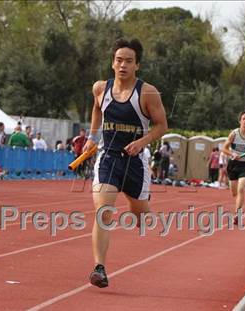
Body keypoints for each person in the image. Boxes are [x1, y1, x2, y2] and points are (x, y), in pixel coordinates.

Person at [83, 38, 167, 288]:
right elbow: (97, 109)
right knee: (103, 212)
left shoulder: (147, 92)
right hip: (108, 157)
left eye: (129, 61)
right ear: (112, 63)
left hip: (135, 162)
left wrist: (143, 142)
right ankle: (99, 268)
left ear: (137, 65)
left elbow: (162, 125)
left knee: (140, 211)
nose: (123, 65)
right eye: (119, 60)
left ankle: (140, 206)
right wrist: (92, 137)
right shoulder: (100, 88)